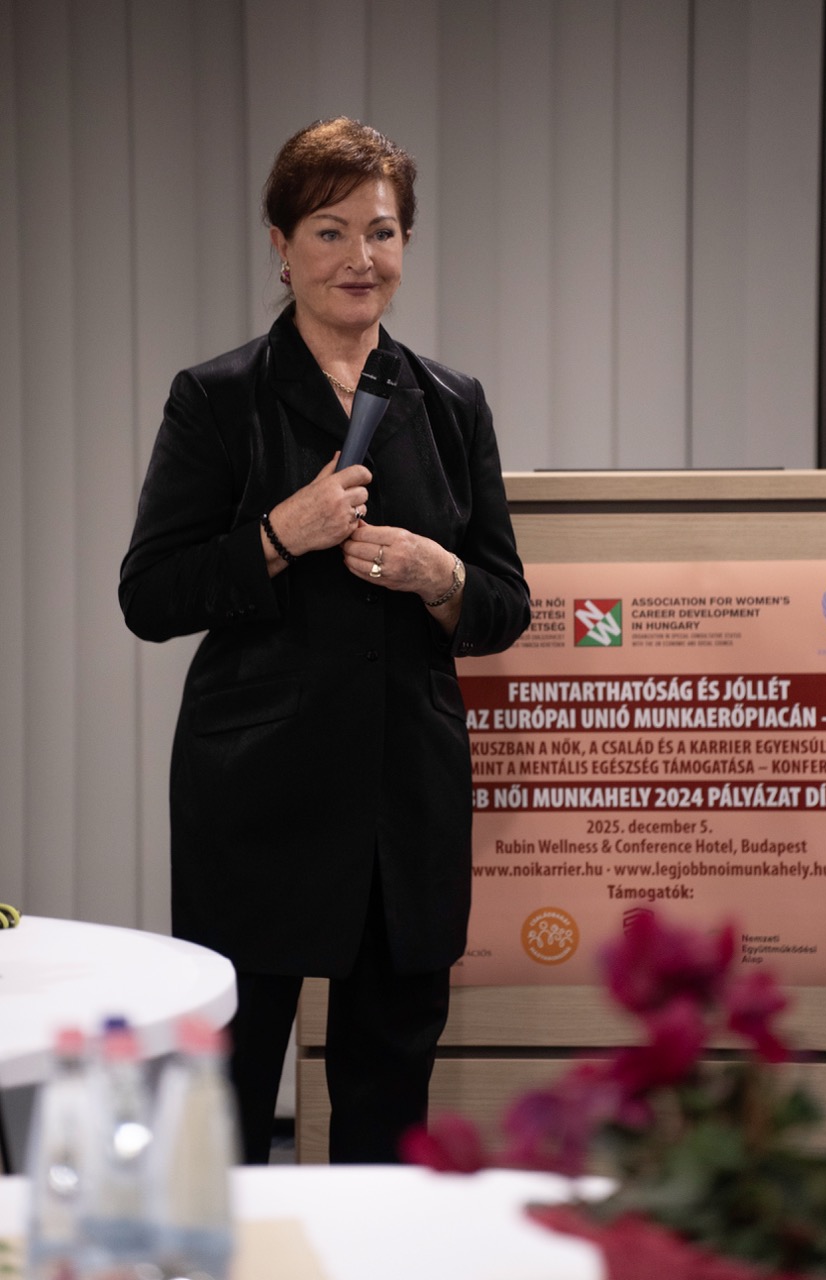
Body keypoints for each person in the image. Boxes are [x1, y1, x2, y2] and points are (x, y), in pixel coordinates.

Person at [119, 116, 530, 1165]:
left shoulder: (452, 404)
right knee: (228, 1090)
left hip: (405, 795)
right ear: (282, 244)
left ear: (406, 243)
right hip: (256, 796)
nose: (360, 258)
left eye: (381, 232)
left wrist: (442, 578)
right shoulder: (218, 398)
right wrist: (275, 535)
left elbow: (503, 604)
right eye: (330, 231)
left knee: (390, 1096)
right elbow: (149, 594)